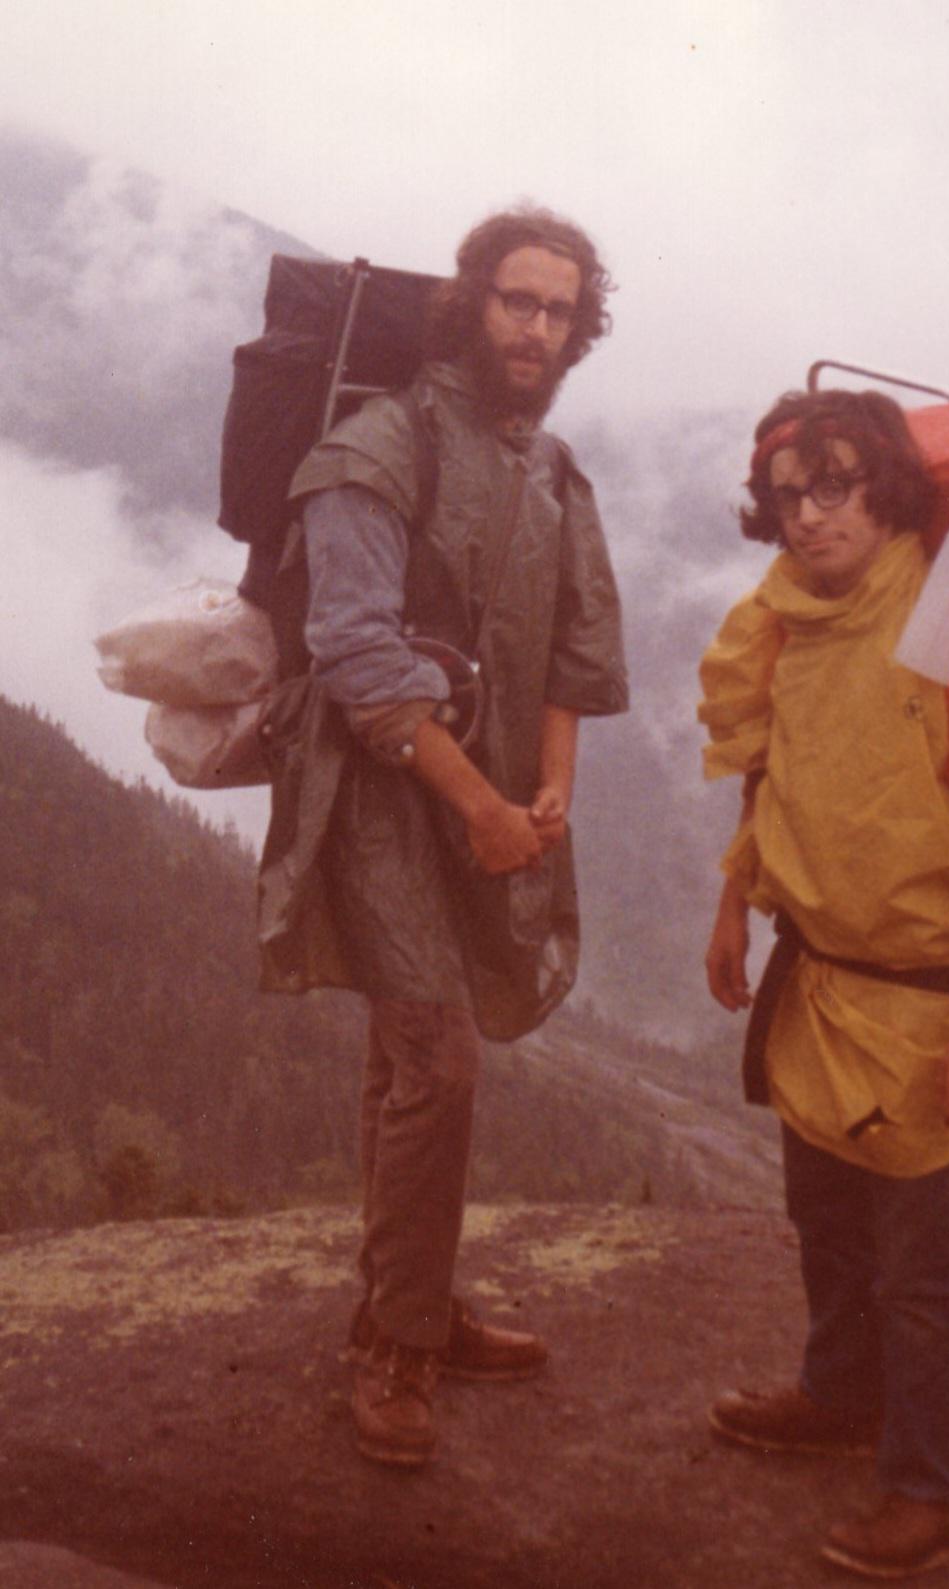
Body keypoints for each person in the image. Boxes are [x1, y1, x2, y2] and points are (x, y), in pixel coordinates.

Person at [256, 206, 628, 1467]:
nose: (536, 326)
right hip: (377, 800)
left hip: (490, 794)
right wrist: (478, 803)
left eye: (559, 309)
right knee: (440, 1057)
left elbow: (580, 649)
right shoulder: (383, 441)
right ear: (470, 304)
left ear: (582, 328)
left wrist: (551, 790)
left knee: (406, 1057)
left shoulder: (553, 466)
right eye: (517, 300)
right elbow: (355, 653)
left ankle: (404, 1297)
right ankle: (397, 1345)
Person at [697, 387, 949, 1577]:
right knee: (830, 1224)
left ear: (891, 490)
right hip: (817, 979)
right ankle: (839, 1395)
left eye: (839, 487)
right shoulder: (789, 614)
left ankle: (933, 1487)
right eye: (790, 492)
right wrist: (732, 904)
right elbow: (776, 769)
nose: (810, 517)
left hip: (922, 997)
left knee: (921, 1270)